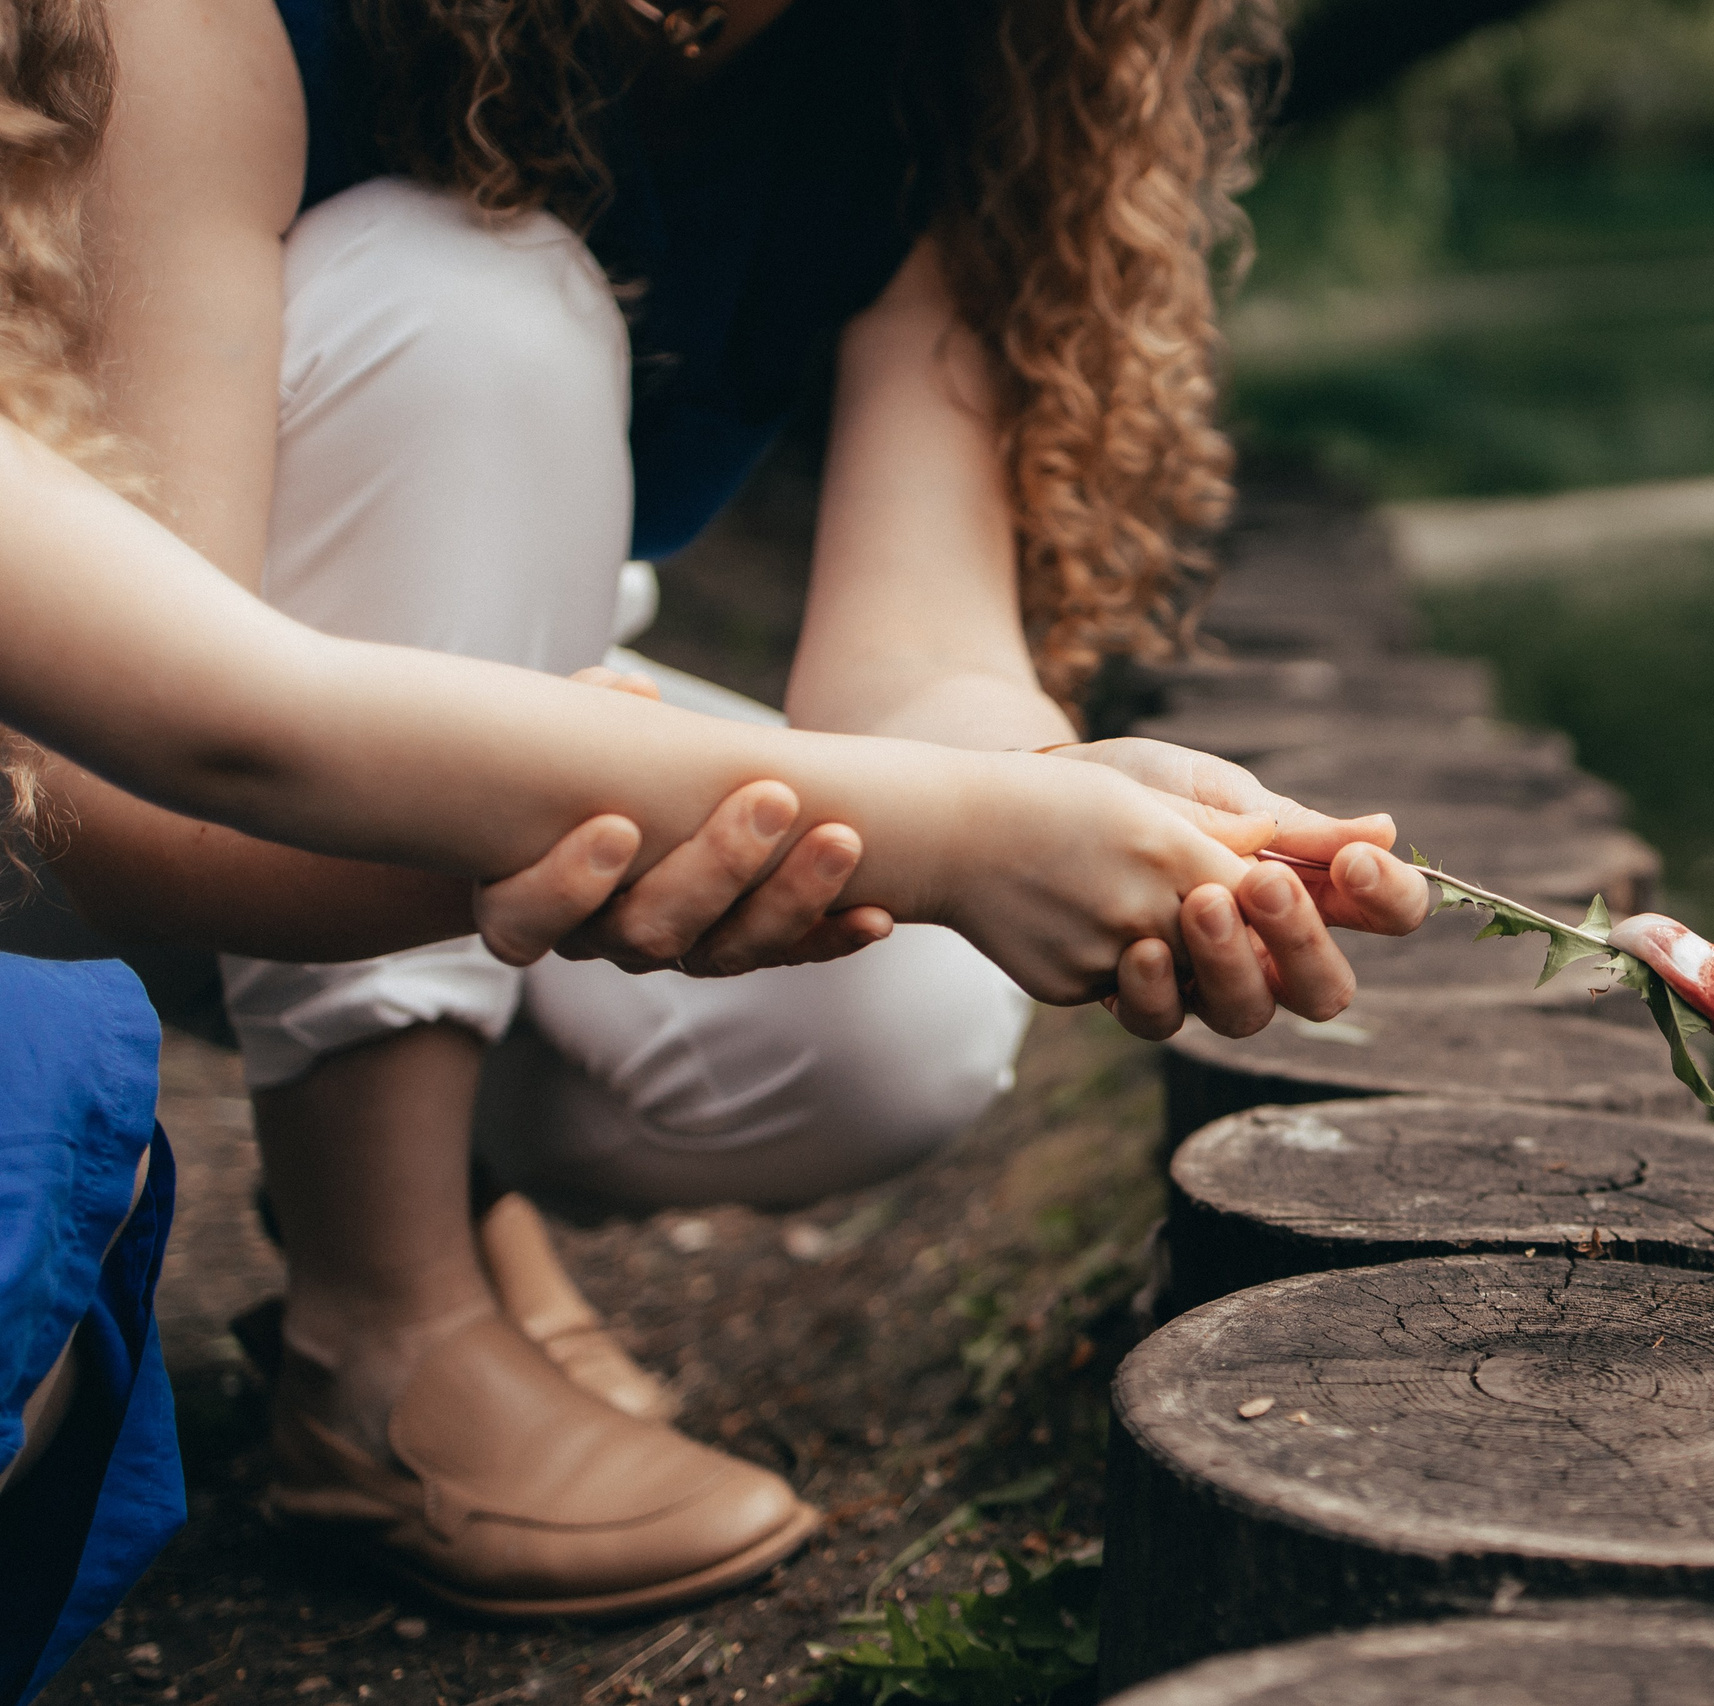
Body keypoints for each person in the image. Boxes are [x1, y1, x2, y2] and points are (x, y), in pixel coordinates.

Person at [12, 0, 1433, 1649]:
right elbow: (123, 758)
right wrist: (882, 827)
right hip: (140, 735)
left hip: (403, 710)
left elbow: (918, 661)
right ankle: (378, 1318)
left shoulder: (953, 58)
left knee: (903, 1012)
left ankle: (450, 1169)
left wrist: (1057, 799)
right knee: (474, 304)